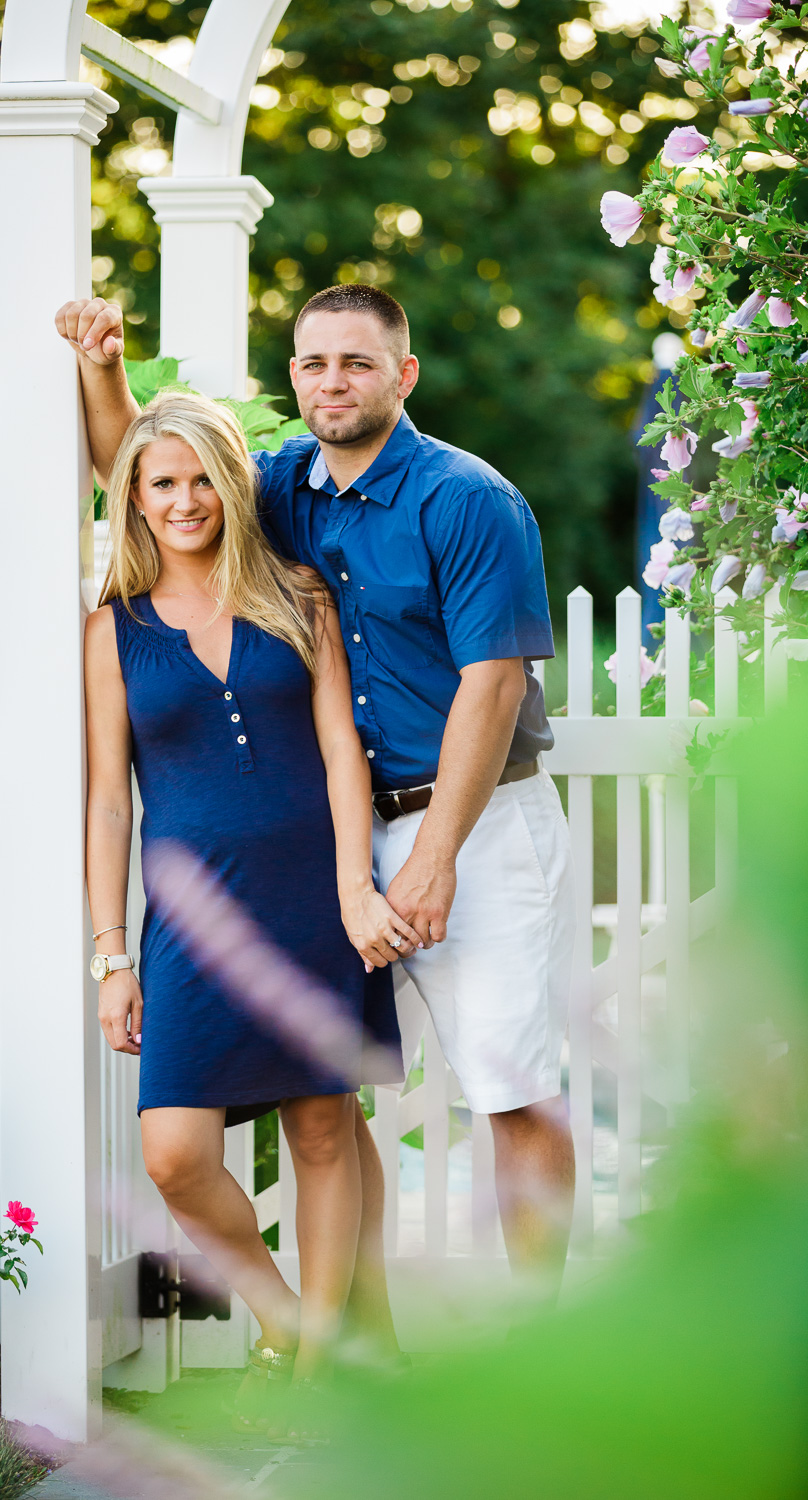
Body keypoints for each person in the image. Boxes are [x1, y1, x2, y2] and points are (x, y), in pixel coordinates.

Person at [59, 280, 577, 1308]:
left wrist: (428, 865)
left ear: (404, 373)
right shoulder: (288, 483)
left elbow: (494, 681)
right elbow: (154, 468)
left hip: (470, 830)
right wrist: (105, 366)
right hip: (341, 840)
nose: (332, 381)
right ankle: (359, 1338)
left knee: (506, 1087)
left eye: (356, 362)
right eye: (312, 363)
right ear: (293, 376)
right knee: (331, 1106)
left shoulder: (467, 499)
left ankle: (542, 1343)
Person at [83, 389, 412, 1434]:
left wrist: (356, 884)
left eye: (199, 480)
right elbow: (106, 799)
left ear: (231, 485)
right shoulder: (112, 631)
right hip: (189, 920)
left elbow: (337, 753)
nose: (183, 501)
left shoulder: (299, 600)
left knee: (323, 1128)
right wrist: (109, 955)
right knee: (176, 1151)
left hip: (312, 899)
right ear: (133, 498)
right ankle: (281, 1322)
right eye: (160, 483)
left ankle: (318, 1371)